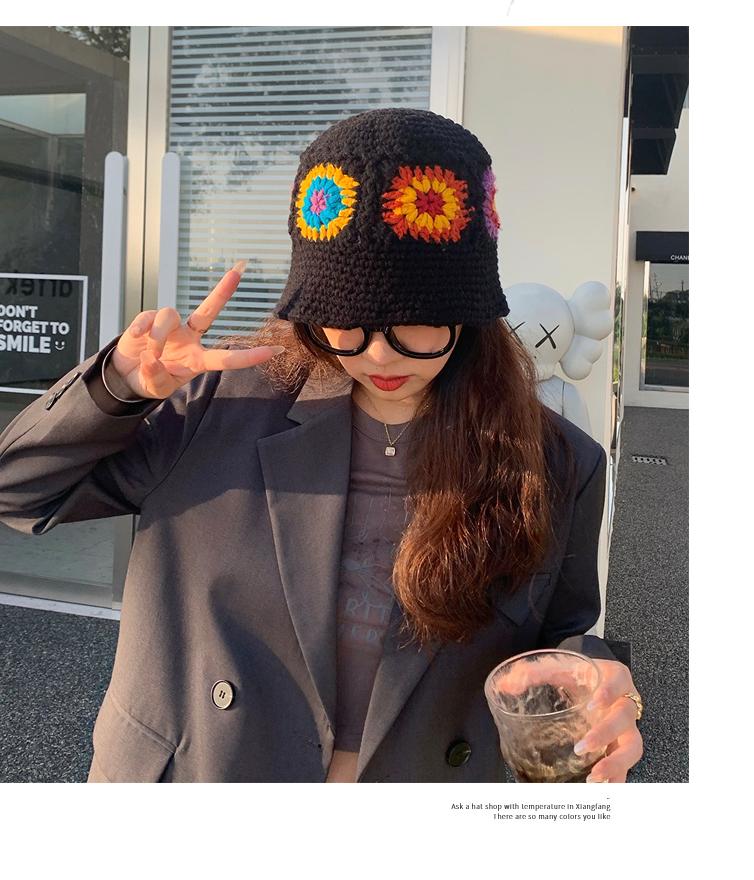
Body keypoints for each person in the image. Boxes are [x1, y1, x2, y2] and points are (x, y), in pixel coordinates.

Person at [0, 108, 643, 783]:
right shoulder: (223, 407)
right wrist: (116, 389)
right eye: (349, 320)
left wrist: (601, 684)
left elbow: (563, 636)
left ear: (471, 311)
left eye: (414, 322)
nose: (378, 354)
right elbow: (19, 492)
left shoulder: (555, 462)